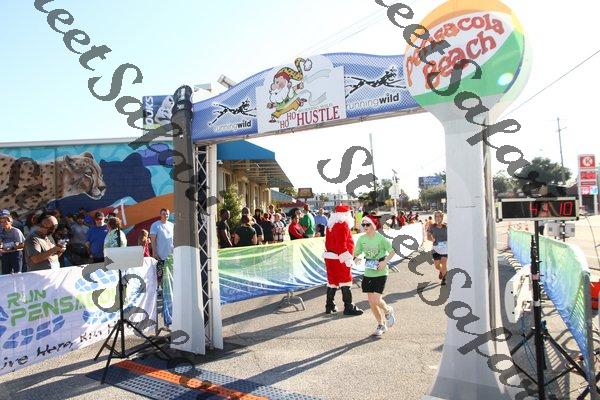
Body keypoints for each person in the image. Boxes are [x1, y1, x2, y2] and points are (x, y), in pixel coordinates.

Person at [353, 216, 396, 336]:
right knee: (371, 302)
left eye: (367, 224)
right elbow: (356, 252)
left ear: (373, 225)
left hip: (381, 272)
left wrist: (385, 262)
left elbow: (392, 251)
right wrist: (355, 258)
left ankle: (388, 310)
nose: (365, 227)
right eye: (363, 225)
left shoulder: (380, 238)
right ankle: (381, 324)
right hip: (368, 272)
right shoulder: (362, 239)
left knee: (377, 299)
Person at [322, 204, 363, 316]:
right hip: (341, 258)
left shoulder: (330, 225)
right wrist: (348, 259)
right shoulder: (343, 224)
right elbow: (341, 245)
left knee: (333, 281)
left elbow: (329, 243)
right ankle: (348, 307)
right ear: (346, 214)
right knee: (345, 280)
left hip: (331, 258)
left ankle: (329, 305)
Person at [150, 208, 174, 289]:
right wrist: (155, 252)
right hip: (160, 255)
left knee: (170, 274)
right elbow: (153, 240)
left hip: (170, 256)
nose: (166, 215)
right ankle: (158, 289)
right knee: (159, 274)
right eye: (164, 214)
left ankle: (168, 290)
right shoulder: (155, 225)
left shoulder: (171, 225)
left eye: (167, 214)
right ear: (160, 215)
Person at [427, 210, 448, 286]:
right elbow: (428, 237)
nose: (438, 218)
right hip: (436, 248)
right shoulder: (432, 226)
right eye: (436, 216)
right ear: (434, 217)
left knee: (444, 262)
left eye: (440, 216)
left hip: (445, 248)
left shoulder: (446, 226)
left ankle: (444, 279)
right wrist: (432, 239)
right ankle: (442, 271)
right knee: (437, 266)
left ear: (442, 217)